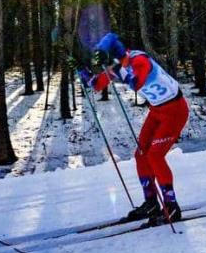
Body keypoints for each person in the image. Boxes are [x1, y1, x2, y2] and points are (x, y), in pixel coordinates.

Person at [78, 33, 190, 225]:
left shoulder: (140, 59)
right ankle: (151, 203)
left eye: (110, 61)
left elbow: (136, 82)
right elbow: (95, 85)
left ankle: (171, 206)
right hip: (157, 111)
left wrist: (114, 66)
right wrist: (80, 68)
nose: (109, 67)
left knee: (155, 156)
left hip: (175, 111)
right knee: (140, 154)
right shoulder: (117, 67)